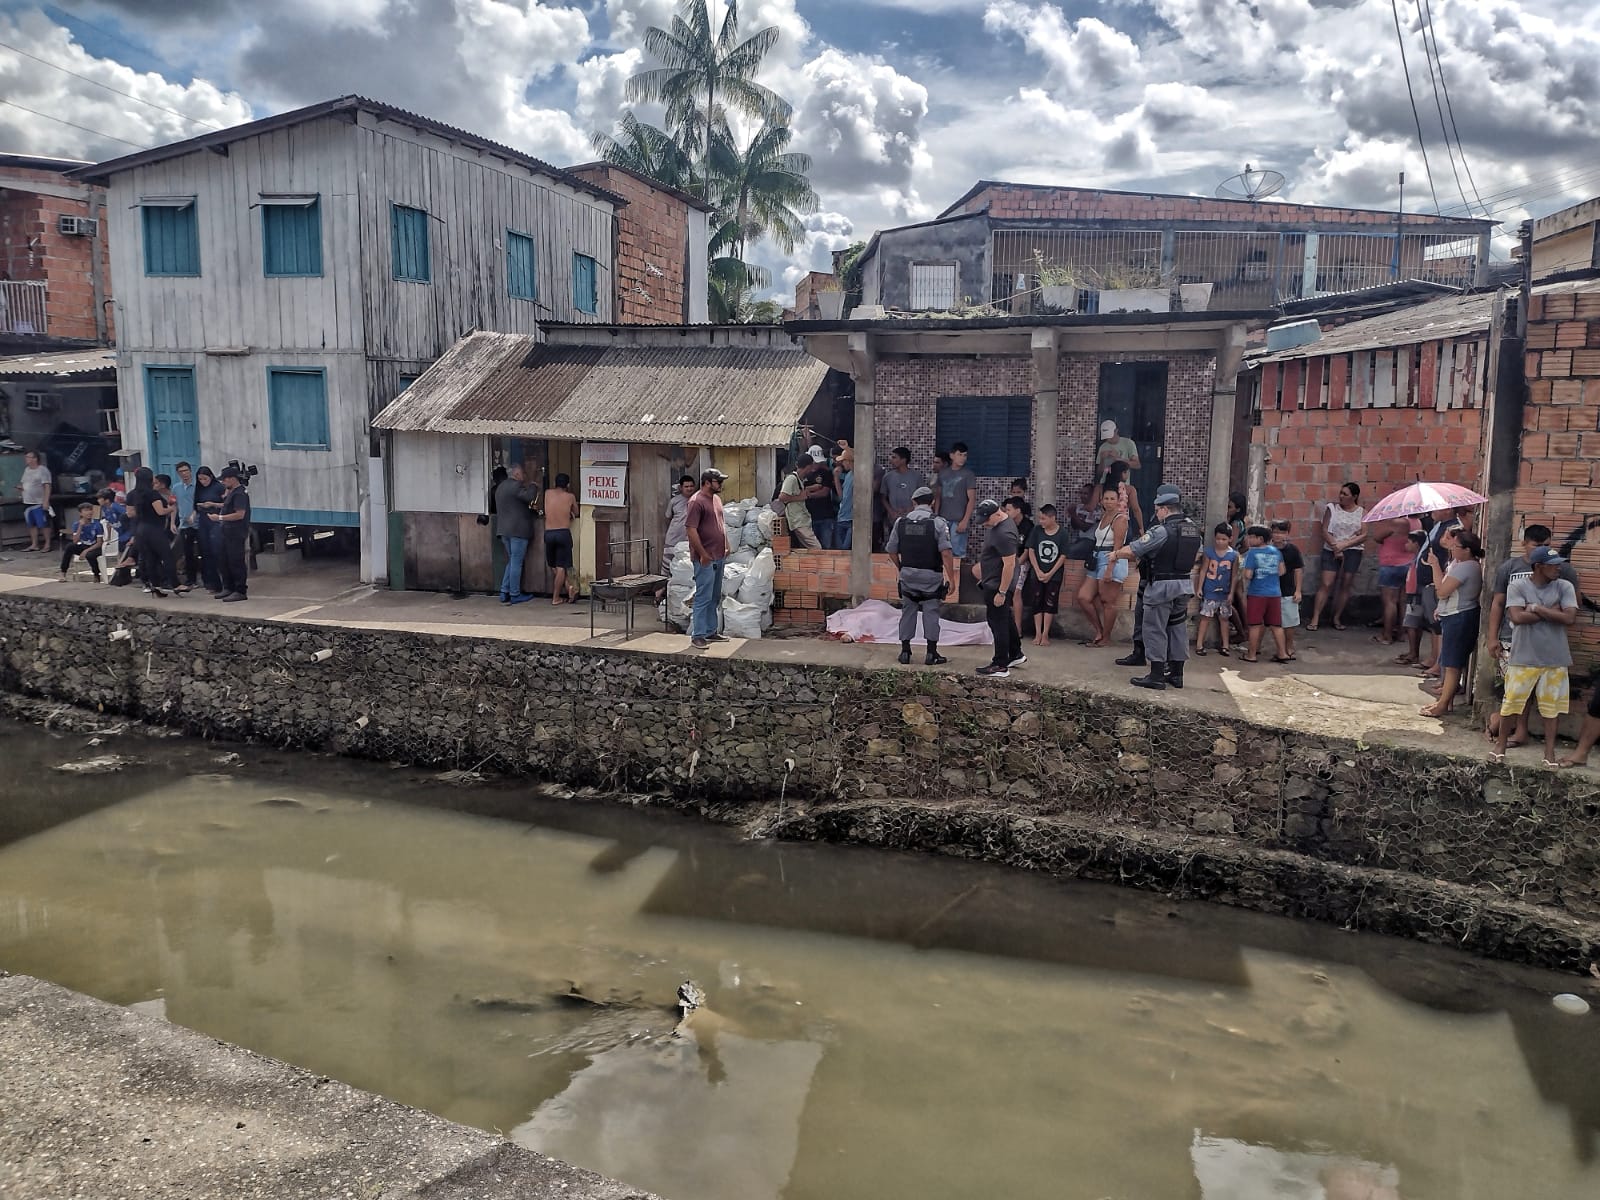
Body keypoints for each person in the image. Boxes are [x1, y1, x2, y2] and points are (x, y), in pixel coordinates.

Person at [1485, 524, 1581, 746]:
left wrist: (1536, 609)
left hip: (1548, 641)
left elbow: (1570, 609)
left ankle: (1513, 731)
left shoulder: (1562, 570)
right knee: (1517, 691)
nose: (1544, 549)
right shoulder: (1510, 567)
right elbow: (1498, 603)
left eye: (1547, 545)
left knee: (1541, 694)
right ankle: (1515, 730)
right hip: (1512, 638)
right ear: (1524, 544)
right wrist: (1492, 637)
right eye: (1538, 545)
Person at [1112, 485, 1202, 690]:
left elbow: (1135, 549)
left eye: (1157, 509)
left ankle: (1156, 675)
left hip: (1162, 586)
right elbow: (1197, 553)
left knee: (1154, 629)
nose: (1156, 513)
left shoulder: (1161, 530)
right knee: (1177, 628)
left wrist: (1115, 554)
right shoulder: (1192, 529)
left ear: (1165, 509)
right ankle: (1177, 675)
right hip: (1184, 585)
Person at [885, 485, 953, 665]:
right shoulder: (938, 523)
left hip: (907, 575)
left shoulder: (901, 522)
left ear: (913, 502)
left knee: (908, 611)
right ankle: (931, 653)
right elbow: (946, 553)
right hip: (931, 576)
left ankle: (905, 652)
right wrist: (951, 579)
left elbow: (891, 550)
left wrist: (901, 568)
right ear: (932, 502)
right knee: (931, 612)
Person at [1421, 529, 1483, 718]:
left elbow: (1442, 591)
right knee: (1449, 662)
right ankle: (1445, 702)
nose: (1452, 549)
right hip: (1453, 615)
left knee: (1452, 664)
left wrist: (1434, 566)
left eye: (1456, 546)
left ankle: (1443, 705)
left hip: (1460, 616)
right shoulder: (1460, 564)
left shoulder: (1467, 566)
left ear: (1467, 549)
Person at [973, 499, 1023, 678]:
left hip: (999, 584)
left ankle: (1000, 664)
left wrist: (1001, 592)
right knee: (1005, 618)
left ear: (997, 513)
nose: (985, 524)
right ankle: (1016, 653)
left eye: (987, 520)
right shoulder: (1000, 523)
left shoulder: (1005, 533)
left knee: (997, 622)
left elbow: (1009, 564)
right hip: (992, 580)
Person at [1307, 482, 1366, 631]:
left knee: (1346, 584)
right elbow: (1325, 530)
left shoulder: (1362, 512)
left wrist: (1344, 545)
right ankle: (1315, 618)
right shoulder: (1332, 509)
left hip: (1353, 551)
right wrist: (1336, 547)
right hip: (1331, 549)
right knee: (1326, 583)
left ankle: (1337, 617)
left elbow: (1364, 535)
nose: (1341, 496)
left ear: (1355, 496)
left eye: (1345, 494)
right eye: (1341, 493)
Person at [685, 468, 729, 650]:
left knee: (714, 596)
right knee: (703, 596)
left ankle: (711, 631)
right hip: (705, 558)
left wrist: (727, 543)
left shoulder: (716, 499)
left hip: (718, 555)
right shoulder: (696, 502)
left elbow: (721, 523)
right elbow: (690, 529)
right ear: (707, 482)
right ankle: (698, 635)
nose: (721, 484)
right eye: (718, 481)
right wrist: (702, 553)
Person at [1078, 487, 1128, 648]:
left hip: (1111, 559)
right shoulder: (1104, 516)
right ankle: (1099, 631)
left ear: (1118, 501)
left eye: (1112, 499)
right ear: (1101, 500)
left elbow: (1117, 547)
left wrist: (1109, 570)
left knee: (1108, 601)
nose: (1108, 502)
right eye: (1106, 498)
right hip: (1097, 557)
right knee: (1083, 597)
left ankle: (1105, 638)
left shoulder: (1120, 519)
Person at [1239, 525, 1290, 665]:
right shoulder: (1276, 552)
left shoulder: (1252, 553)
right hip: (1274, 593)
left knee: (1254, 625)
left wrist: (1248, 572)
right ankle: (1282, 653)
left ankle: (1251, 655)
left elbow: (1248, 575)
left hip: (1257, 593)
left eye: (1251, 536)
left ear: (1259, 539)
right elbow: (1282, 571)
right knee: (1276, 625)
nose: (1248, 539)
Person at [125, 467, 178, 597]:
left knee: (150, 559)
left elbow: (130, 513)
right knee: (167, 555)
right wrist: (171, 509)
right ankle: (175, 584)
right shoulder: (152, 494)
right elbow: (160, 511)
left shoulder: (132, 494)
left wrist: (142, 510)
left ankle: (154, 586)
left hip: (140, 528)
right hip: (154, 528)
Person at [494, 462, 539, 605]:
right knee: (516, 562)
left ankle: (504, 592)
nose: (524, 477)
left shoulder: (500, 487)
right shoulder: (515, 486)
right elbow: (529, 497)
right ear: (517, 474)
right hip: (517, 531)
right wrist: (533, 485)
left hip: (504, 530)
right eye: (523, 474)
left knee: (512, 561)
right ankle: (514, 594)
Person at [1023, 503, 1067, 647]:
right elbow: (1031, 551)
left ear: (1052, 518)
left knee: (1049, 603)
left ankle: (1045, 633)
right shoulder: (1036, 530)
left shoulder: (1063, 533)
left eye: (1043, 519)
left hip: (1054, 575)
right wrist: (1038, 571)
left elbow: (1062, 556)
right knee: (1037, 602)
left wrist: (1050, 573)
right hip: (1037, 574)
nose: (1041, 522)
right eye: (1040, 519)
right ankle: (1037, 633)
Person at [1191, 523, 1238, 656]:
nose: (1220, 542)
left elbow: (1234, 576)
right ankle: (1200, 644)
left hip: (1225, 592)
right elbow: (1203, 570)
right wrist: (1200, 587)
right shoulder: (1209, 552)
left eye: (1223, 539)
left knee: (1224, 619)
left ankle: (1225, 645)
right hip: (1210, 591)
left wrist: (1231, 593)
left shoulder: (1234, 555)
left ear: (1230, 538)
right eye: (1218, 539)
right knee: (1205, 617)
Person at [1372, 516, 1418, 645]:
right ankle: (1401, 634)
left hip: (1391, 564)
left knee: (1390, 601)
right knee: (1403, 601)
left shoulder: (1397, 522)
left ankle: (1387, 635)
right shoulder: (1417, 522)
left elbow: (1377, 537)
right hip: (1409, 563)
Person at [209, 466, 251, 601]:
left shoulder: (240, 494)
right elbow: (227, 506)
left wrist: (219, 518)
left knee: (235, 561)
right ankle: (228, 587)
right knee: (224, 559)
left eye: (225, 480)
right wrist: (214, 505)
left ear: (232, 479)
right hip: (225, 531)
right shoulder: (231, 492)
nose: (223, 483)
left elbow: (240, 514)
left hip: (236, 532)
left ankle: (240, 590)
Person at [933, 443, 977, 563]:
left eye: (965, 455)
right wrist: (936, 515)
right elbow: (938, 496)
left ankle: (955, 581)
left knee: (957, 552)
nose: (962, 458)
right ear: (952, 456)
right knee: (941, 550)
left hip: (959, 519)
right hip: (943, 519)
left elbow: (971, 499)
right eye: (959, 454)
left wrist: (965, 520)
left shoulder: (968, 474)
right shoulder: (943, 473)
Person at [1396, 528, 1432, 667]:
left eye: (1408, 542)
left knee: (1411, 624)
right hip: (1414, 593)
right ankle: (1413, 652)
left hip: (1416, 594)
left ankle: (1413, 653)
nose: (1406, 545)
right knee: (1415, 625)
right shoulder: (1418, 558)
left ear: (1416, 543)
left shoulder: (1421, 559)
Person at [543, 472, 581, 604]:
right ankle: (556, 597)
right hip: (563, 534)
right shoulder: (570, 496)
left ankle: (567, 587)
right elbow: (576, 512)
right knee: (560, 567)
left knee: (553, 565)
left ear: (554, 484)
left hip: (548, 534)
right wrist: (569, 512)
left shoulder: (547, 493)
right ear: (568, 485)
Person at [1271, 519, 1304, 660]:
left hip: (1287, 591)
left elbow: (1298, 571)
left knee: (1289, 623)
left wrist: (1298, 590)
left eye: (1282, 532)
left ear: (1287, 534)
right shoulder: (1267, 549)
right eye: (1275, 532)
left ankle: (1288, 647)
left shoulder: (1292, 550)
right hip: (1269, 591)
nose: (1278, 535)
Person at [779, 453, 824, 550]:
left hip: (802, 519)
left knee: (806, 549)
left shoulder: (799, 479)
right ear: (808, 466)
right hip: (798, 520)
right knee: (817, 548)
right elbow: (782, 497)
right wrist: (800, 497)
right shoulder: (791, 478)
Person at [190, 466, 225, 595]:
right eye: (200, 479)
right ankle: (211, 583)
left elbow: (226, 503)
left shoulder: (218, 487)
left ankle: (223, 583)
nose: (203, 482)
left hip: (215, 519)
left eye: (205, 479)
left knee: (217, 550)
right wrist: (194, 513)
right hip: (203, 520)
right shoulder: (199, 489)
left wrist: (213, 504)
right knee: (205, 551)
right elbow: (195, 504)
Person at [1005, 496, 1033, 640]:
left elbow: (1027, 552)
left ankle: (1017, 629)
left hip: (1022, 562)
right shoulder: (1005, 524)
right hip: (1006, 561)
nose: (1006, 512)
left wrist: (1015, 565)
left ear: (1018, 510)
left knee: (1016, 592)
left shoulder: (1028, 526)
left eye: (1009, 510)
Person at [57, 502, 105, 583]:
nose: (89, 512)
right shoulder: (76, 524)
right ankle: (63, 573)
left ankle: (96, 575)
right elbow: (75, 541)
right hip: (84, 545)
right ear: (81, 513)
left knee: (90, 555)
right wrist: (80, 526)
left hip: (95, 547)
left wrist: (86, 551)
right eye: (86, 510)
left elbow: (99, 543)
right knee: (69, 547)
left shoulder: (97, 524)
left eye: (90, 510)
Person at [880, 445, 920, 540]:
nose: (891, 460)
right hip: (893, 519)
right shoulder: (888, 477)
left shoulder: (916, 476)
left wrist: (911, 509)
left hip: (911, 519)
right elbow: (883, 497)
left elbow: (922, 497)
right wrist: (891, 511)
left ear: (903, 460)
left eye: (894, 457)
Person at [803, 447, 840, 549]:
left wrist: (808, 494)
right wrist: (813, 488)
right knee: (813, 547)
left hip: (825, 516)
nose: (815, 464)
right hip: (810, 517)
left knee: (826, 546)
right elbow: (800, 490)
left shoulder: (826, 473)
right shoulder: (804, 474)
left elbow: (825, 492)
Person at [16, 449, 52, 552]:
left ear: (35, 459)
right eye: (26, 457)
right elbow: (24, 483)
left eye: (29, 457)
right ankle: (34, 544)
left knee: (44, 524)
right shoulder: (27, 470)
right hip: (27, 501)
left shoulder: (42, 470)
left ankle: (47, 544)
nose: (27, 459)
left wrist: (46, 501)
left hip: (39, 502)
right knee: (31, 524)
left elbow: (47, 486)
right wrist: (21, 488)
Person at [170, 462, 199, 586]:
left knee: (204, 552)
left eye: (186, 470)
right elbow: (173, 506)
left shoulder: (198, 486)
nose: (184, 473)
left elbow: (199, 503)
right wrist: (172, 522)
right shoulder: (176, 488)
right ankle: (191, 580)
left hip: (199, 523)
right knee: (187, 553)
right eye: (181, 471)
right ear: (178, 473)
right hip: (184, 524)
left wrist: (194, 514)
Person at [663, 474, 696, 571]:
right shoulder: (674, 501)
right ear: (681, 488)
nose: (689, 489)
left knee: (684, 568)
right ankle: (665, 586)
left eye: (691, 486)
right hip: (673, 539)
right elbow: (668, 517)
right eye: (686, 486)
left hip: (688, 542)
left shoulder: (698, 500)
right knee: (667, 568)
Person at [834, 447, 856, 550]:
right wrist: (836, 478)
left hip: (852, 519)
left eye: (844, 461)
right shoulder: (848, 475)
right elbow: (841, 497)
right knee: (841, 551)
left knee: (846, 549)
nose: (842, 463)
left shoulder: (858, 476)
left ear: (849, 461)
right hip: (842, 517)